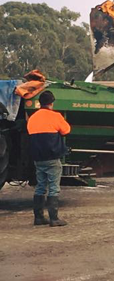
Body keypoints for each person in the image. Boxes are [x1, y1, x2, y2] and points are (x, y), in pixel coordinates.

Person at [27, 90, 71, 227]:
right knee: (53, 187)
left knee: (40, 186)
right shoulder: (55, 116)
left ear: (40, 103)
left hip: (38, 159)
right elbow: (66, 131)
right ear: (52, 103)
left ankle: (38, 218)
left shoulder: (32, 118)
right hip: (52, 158)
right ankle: (54, 218)